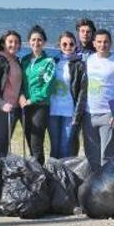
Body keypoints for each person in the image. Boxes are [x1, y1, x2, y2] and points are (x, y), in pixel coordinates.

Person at [83, 29, 114, 168]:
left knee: (106, 156)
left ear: (111, 43)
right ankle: (93, 185)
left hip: (108, 114)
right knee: (91, 154)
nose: (103, 45)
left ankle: (105, 187)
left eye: (106, 42)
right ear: (94, 43)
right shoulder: (88, 60)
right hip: (89, 113)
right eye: (99, 42)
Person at [20, 25, 56, 165]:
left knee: (36, 142)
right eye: (33, 40)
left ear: (44, 42)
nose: (36, 43)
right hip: (25, 105)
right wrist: (22, 96)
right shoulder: (24, 60)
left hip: (40, 106)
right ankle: (32, 170)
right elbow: (21, 82)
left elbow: (48, 88)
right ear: (29, 42)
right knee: (29, 139)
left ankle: (40, 174)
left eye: (39, 40)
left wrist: (32, 100)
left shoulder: (49, 62)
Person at [50, 31, 87, 159]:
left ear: (75, 45)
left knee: (65, 147)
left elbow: (82, 92)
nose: (67, 47)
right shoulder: (52, 62)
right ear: (59, 45)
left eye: (71, 44)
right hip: (52, 111)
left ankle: (64, 176)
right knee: (54, 147)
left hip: (69, 112)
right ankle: (53, 174)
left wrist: (77, 116)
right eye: (64, 44)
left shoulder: (79, 65)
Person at [0, 30, 24, 157]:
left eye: (16, 42)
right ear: (3, 43)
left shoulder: (16, 60)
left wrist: (21, 96)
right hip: (0, 109)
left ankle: (1, 174)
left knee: (4, 147)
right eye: (10, 42)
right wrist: (1, 104)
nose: (13, 44)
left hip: (13, 109)